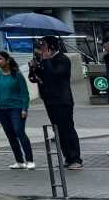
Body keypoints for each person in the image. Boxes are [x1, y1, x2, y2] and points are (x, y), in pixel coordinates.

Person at [27, 38, 81, 170]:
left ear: (51, 47)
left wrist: (45, 60)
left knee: (67, 129)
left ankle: (76, 159)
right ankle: (68, 157)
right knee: (57, 130)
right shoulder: (46, 61)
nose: (42, 49)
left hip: (62, 101)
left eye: (44, 46)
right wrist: (34, 68)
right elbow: (36, 79)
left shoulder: (62, 59)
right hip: (49, 100)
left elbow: (54, 75)